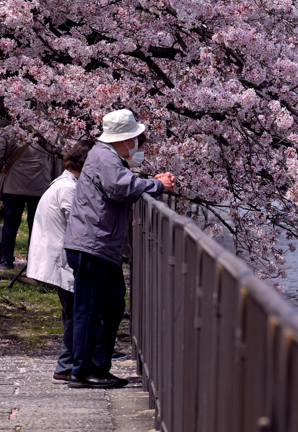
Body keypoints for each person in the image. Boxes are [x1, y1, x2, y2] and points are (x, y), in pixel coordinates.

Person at [64, 110, 175, 389]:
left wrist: (150, 182)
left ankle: (97, 366)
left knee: (112, 305)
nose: (138, 145)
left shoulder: (107, 157)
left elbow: (120, 182)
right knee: (90, 310)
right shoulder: (104, 156)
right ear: (124, 140)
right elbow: (120, 187)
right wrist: (157, 185)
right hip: (92, 244)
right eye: (136, 139)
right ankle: (82, 369)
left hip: (101, 245)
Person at [26, 139, 95, 383]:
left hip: (57, 257)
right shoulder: (68, 188)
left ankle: (71, 360)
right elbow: (77, 222)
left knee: (72, 312)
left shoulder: (64, 183)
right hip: (61, 259)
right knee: (75, 313)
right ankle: (65, 365)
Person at [0, 137, 61, 269]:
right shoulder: (46, 132)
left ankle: (6, 259)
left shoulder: (9, 132)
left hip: (14, 184)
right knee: (36, 225)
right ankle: (34, 260)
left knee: (10, 224)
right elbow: (56, 157)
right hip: (39, 184)